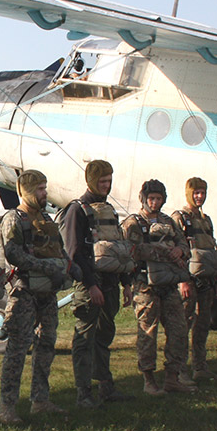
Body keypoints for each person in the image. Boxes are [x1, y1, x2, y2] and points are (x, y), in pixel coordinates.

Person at [0, 169, 73, 423]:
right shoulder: (14, 219)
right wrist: (46, 267)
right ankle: (6, 408)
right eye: (40, 189)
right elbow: (13, 254)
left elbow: (59, 249)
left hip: (47, 293)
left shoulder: (47, 219)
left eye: (44, 188)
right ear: (27, 192)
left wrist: (67, 266)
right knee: (17, 350)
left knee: (47, 344)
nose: (44, 193)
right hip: (24, 292)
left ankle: (40, 400)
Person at [59, 159, 134, 408]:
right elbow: (74, 253)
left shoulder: (109, 209)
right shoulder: (77, 210)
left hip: (111, 284)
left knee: (104, 337)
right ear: (91, 181)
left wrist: (126, 283)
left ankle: (105, 386)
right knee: (84, 338)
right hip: (90, 285)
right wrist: (91, 285)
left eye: (109, 181)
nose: (106, 185)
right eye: (102, 181)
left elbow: (118, 248)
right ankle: (83, 393)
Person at [121, 179, 197, 395]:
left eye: (158, 198)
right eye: (151, 198)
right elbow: (133, 250)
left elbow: (184, 244)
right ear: (143, 199)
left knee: (179, 330)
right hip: (146, 286)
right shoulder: (133, 223)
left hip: (169, 285)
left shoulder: (169, 222)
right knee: (148, 333)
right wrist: (166, 252)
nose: (154, 202)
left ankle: (173, 376)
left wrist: (180, 251)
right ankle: (149, 380)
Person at [171, 178, 217, 381]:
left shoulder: (205, 220)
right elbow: (175, 250)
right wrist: (182, 281)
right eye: (196, 193)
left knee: (203, 324)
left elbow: (210, 250)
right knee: (183, 325)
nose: (199, 196)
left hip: (207, 280)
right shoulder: (179, 218)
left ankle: (200, 367)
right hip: (189, 279)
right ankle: (180, 370)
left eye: (202, 193)